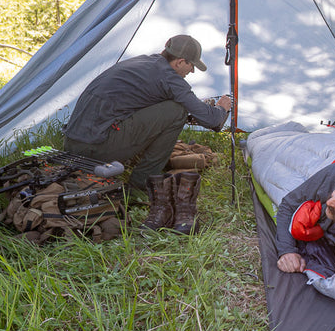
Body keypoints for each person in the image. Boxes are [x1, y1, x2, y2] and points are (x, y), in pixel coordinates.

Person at [63, 34, 231, 207]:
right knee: (177, 111)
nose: (192, 71)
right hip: (95, 149)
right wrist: (221, 108)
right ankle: (140, 184)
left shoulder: (142, 63)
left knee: (170, 108)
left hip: (71, 144)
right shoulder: (169, 78)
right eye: (191, 65)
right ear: (180, 62)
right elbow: (211, 120)